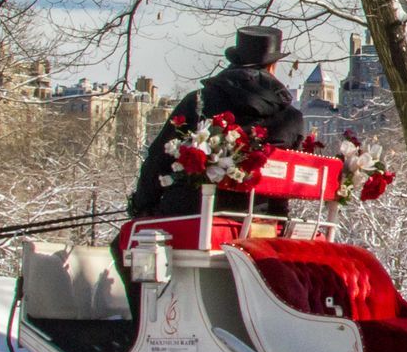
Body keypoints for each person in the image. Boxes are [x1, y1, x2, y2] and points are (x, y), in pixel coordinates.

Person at [128, 25, 307, 221]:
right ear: (272, 67)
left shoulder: (198, 102)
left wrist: (141, 207)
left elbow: (158, 158)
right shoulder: (291, 119)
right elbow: (285, 182)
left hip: (187, 214)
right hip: (254, 218)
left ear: (235, 61)